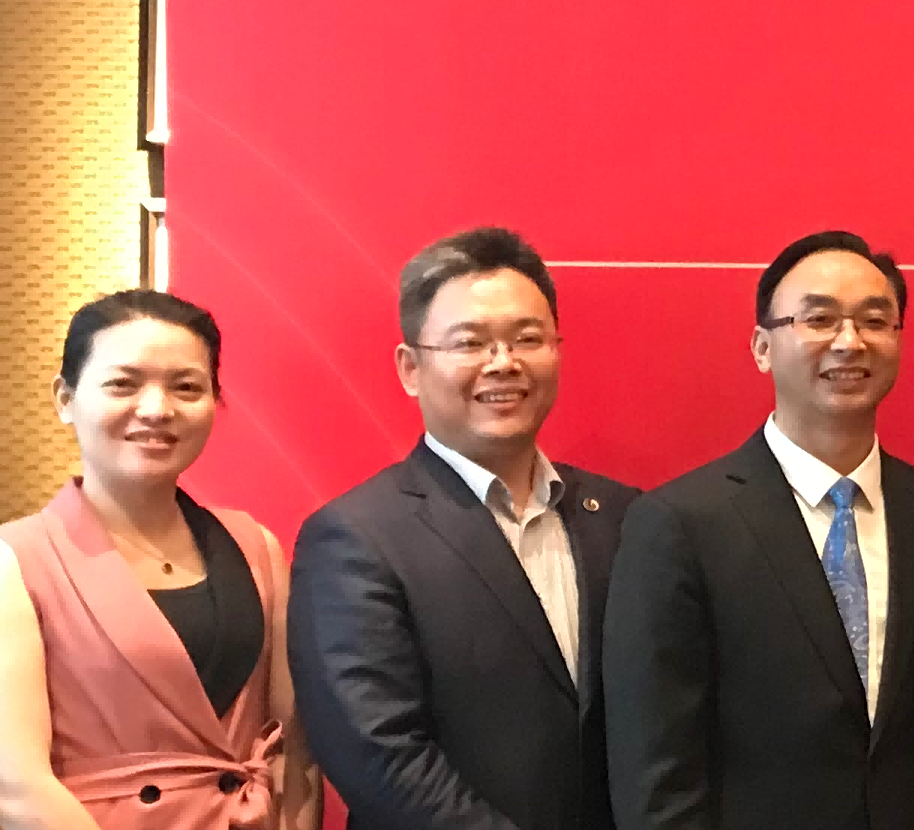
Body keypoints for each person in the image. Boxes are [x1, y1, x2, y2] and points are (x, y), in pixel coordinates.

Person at [601, 231, 914, 829]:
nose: (850, 342)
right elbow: (655, 771)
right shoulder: (679, 523)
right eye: (820, 319)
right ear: (763, 347)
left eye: (875, 321)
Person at [292, 227, 641, 830]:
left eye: (527, 339)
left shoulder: (621, 514)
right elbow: (379, 756)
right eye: (470, 343)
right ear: (410, 368)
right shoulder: (354, 537)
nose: (503, 363)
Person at [0, 292, 319, 829]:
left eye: (186, 387)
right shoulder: (15, 560)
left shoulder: (255, 546)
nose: (156, 409)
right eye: (123, 384)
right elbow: (15, 786)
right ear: (65, 399)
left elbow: (292, 743)